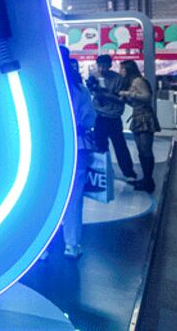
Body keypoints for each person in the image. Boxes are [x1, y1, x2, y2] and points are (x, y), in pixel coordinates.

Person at [60, 47, 96, 259]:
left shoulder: (45, 88)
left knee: (49, 197)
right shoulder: (79, 89)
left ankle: (43, 248)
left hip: (52, 149)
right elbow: (90, 119)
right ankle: (71, 245)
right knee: (74, 199)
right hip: (78, 146)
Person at [86, 54, 137, 181]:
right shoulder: (94, 77)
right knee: (100, 146)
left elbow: (121, 100)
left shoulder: (118, 79)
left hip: (114, 117)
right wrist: (94, 90)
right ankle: (104, 171)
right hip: (100, 116)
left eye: (104, 66)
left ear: (110, 65)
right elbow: (92, 93)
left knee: (120, 145)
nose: (102, 69)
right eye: (99, 66)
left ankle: (129, 172)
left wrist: (104, 93)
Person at [119, 60, 159, 193]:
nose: (121, 72)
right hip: (139, 116)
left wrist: (128, 94)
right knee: (142, 150)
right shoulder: (134, 82)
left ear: (128, 69)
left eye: (122, 69)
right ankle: (146, 179)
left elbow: (147, 96)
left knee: (145, 150)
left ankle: (148, 180)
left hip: (144, 117)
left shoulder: (138, 81)